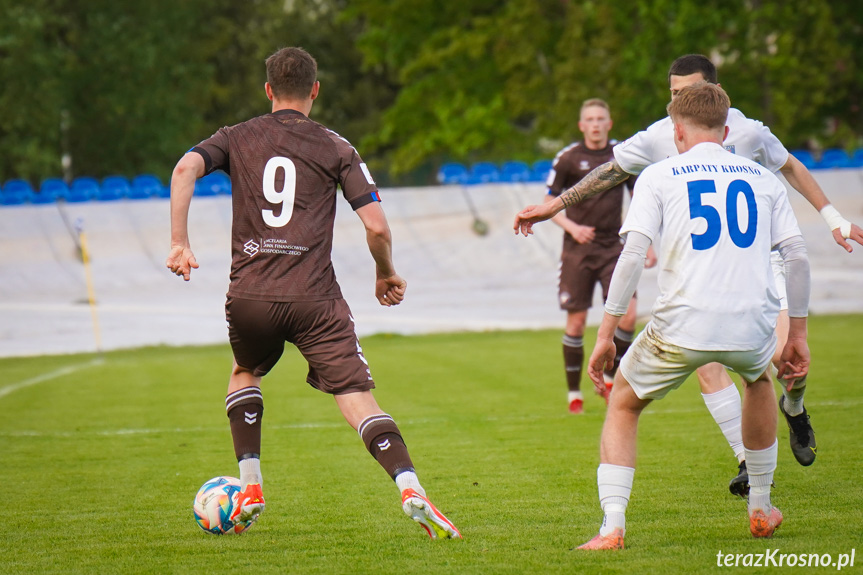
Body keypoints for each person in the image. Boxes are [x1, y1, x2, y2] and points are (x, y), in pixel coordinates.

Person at [515, 54, 861, 495]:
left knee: (782, 360)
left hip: (760, 263)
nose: (678, 101)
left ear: (713, 93)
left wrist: (832, 217)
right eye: (674, 92)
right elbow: (611, 171)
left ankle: (794, 408)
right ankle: (747, 465)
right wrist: (556, 205)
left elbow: (790, 166)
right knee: (710, 365)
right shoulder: (662, 134)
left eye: (688, 92)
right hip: (702, 272)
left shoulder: (749, 130)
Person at [166, 47, 460, 539]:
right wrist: (385, 272)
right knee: (356, 397)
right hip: (316, 300)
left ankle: (251, 487)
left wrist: (179, 242)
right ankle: (409, 486)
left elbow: (182, 170)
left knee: (245, 371)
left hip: (251, 296)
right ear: (315, 90)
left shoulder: (236, 137)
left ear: (268, 90)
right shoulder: (337, 147)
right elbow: (377, 227)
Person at [576, 82, 810, 548]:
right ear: (726, 130)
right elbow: (797, 256)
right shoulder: (761, 178)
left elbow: (632, 255)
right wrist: (797, 333)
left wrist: (606, 332)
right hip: (752, 322)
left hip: (682, 323)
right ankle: (761, 508)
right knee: (760, 383)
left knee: (623, 403)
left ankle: (612, 527)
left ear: (676, 131)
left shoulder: (659, 176)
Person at [544, 99, 657, 413]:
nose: (595, 124)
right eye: (590, 119)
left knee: (629, 315)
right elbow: (548, 203)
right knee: (577, 323)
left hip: (614, 247)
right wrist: (573, 226)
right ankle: (573, 395)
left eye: (601, 119)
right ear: (582, 125)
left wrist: (646, 242)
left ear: (609, 123)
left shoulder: (623, 154)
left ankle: (610, 377)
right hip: (577, 250)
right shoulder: (568, 158)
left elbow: (640, 198)